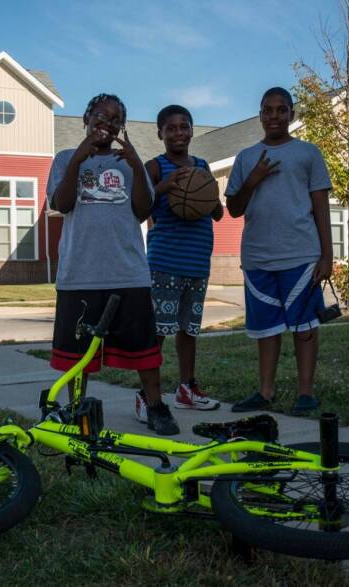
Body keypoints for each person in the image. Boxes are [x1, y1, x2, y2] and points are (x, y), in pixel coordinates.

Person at [46, 93, 180, 436]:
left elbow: (142, 210)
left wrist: (136, 164)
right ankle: (78, 408)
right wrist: (78, 158)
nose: (106, 123)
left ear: (122, 126)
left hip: (128, 272)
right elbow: (62, 204)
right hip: (80, 274)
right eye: (100, 116)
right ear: (87, 118)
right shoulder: (64, 158)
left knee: (145, 350)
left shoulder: (129, 163)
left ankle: (155, 406)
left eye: (114, 118)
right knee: (78, 354)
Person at [224, 87, 333, 417]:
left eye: (281, 110)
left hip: (300, 255)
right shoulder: (246, 157)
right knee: (266, 329)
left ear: (291, 115)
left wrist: (327, 255)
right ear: (259, 115)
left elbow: (320, 206)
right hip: (258, 257)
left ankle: (305, 393)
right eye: (267, 110)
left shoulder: (308, 154)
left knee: (304, 325)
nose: (274, 116)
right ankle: (265, 391)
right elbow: (234, 208)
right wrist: (253, 178)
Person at [136, 105, 224, 423]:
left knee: (189, 329)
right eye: (170, 128)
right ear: (160, 133)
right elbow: (140, 202)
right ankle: (147, 395)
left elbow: (217, 212)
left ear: (191, 131)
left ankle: (187, 388)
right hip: (164, 261)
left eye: (183, 127)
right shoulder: (155, 166)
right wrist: (167, 188)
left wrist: (205, 194)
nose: (178, 133)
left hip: (197, 260)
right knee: (158, 331)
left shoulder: (202, 166)